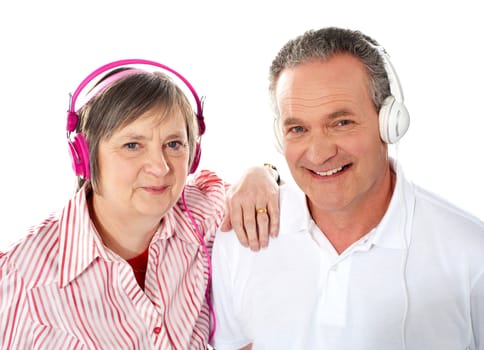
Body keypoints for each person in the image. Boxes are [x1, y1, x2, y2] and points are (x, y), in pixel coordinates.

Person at [211, 27, 484, 349]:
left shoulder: (471, 252)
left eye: (341, 123)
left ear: (390, 122)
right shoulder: (241, 238)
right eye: (298, 128)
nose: (319, 153)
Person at [0, 59, 280, 349]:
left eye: (173, 144)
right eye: (132, 145)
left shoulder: (203, 212)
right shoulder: (20, 279)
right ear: (84, 157)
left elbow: (275, 196)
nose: (160, 168)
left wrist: (263, 173)